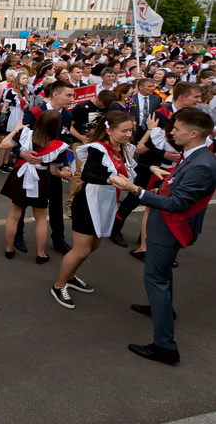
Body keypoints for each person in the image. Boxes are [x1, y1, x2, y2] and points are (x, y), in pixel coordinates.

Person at [109, 108, 216, 365]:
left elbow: (178, 204)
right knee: (162, 274)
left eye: (177, 128)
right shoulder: (198, 155)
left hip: (169, 227)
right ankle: (162, 307)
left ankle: (165, 346)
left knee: (156, 279)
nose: (172, 132)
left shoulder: (202, 163)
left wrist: (136, 190)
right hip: (168, 224)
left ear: (193, 134)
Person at [51, 111, 135, 309]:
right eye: (124, 130)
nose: (128, 134)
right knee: (81, 250)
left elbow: (130, 170)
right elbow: (87, 174)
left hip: (107, 203)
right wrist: (108, 180)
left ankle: (70, 277)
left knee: (93, 246)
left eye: (131, 130)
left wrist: (151, 170)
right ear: (109, 130)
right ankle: (59, 285)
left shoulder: (122, 148)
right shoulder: (98, 149)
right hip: (89, 202)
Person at [112, 82, 201, 246]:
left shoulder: (193, 115)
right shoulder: (160, 114)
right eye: (196, 96)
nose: (199, 99)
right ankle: (115, 228)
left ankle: (145, 238)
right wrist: (163, 154)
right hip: (151, 165)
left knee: (159, 202)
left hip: (174, 168)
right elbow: (148, 142)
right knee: (134, 198)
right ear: (182, 97)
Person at [13, 80, 76, 255]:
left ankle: (58, 239)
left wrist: (64, 167)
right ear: (55, 94)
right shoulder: (35, 112)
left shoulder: (68, 116)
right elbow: (18, 138)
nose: (72, 99)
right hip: (31, 167)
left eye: (73, 95)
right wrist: (21, 153)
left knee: (56, 203)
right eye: (68, 95)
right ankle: (18, 236)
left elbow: (62, 144)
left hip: (53, 167)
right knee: (22, 203)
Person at [0, 112, 73, 262]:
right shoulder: (57, 146)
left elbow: (3, 145)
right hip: (40, 180)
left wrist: (16, 129)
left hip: (20, 176)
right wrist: (63, 174)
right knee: (40, 218)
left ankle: (9, 249)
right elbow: (54, 172)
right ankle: (41, 253)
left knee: (13, 216)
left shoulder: (26, 134)